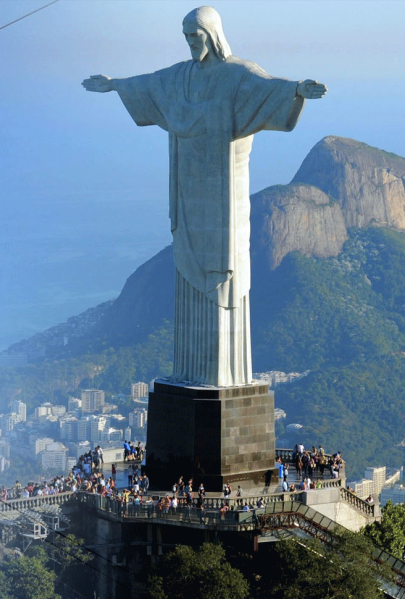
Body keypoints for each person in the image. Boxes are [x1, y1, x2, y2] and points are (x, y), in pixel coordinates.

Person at [82, 6, 326, 386]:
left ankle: (225, 375)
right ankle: (192, 371)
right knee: (188, 270)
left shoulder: (237, 75)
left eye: (195, 36)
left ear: (212, 35)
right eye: (186, 37)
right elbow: (148, 84)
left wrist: (297, 90)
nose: (191, 43)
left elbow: (268, 87)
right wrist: (115, 84)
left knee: (225, 268)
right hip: (188, 191)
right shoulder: (179, 77)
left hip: (224, 194)